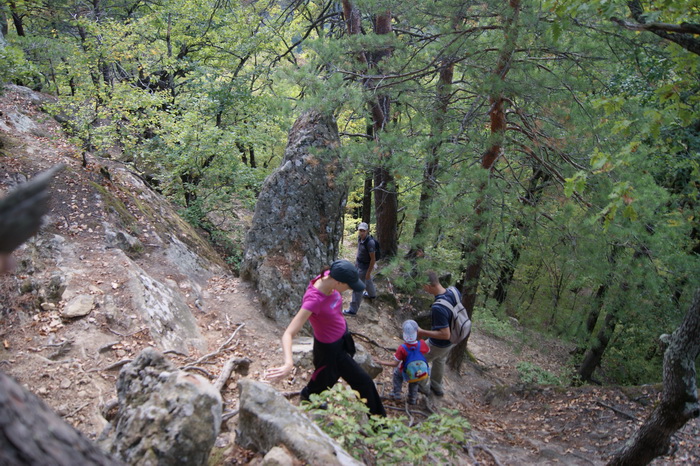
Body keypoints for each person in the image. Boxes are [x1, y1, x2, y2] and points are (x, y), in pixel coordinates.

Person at [266, 259, 386, 416]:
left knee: (327, 377)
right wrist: (289, 363)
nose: (350, 289)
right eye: (349, 286)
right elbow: (288, 333)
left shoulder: (330, 275)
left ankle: (309, 396)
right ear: (337, 282)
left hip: (342, 338)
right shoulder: (314, 300)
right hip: (330, 349)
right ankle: (381, 426)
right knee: (364, 382)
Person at [416, 271, 462, 397]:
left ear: (428, 286)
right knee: (440, 360)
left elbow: (444, 334)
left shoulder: (438, 308)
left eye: (423, 286)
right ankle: (437, 387)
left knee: (418, 358)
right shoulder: (454, 291)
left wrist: (422, 332)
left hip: (440, 343)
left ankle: (423, 387)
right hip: (455, 337)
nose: (423, 289)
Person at [376, 319, 430, 404]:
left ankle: (396, 393)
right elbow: (428, 351)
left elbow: (395, 363)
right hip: (420, 371)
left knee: (397, 373)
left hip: (407, 371)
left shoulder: (402, 348)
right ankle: (412, 398)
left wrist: (380, 362)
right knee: (414, 382)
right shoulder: (421, 343)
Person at [343, 222, 377, 316]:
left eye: (363, 231)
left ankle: (353, 310)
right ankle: (372, 295)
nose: (361, 232)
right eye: (360, 230)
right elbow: (360, 251)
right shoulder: (360, 239)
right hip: (359, 264)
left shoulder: (370, 243)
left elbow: (373, 259)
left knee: (357, 287)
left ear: (367, 231)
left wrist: (368, 272)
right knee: (368, 281)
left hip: (365, 267)